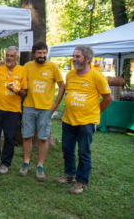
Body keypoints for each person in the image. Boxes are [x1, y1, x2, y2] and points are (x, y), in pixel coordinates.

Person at [54, 45, 112, 194]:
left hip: (87, 122)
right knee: (67, 149)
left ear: (87, 59)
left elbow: (108, 97)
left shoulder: (97, 76)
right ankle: (69, 175)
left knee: (83, 152)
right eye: (73, 56)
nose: (74, 59)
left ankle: (81, 182)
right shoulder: (71, 75)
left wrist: (96, 112)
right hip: (68, 120)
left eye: (77, 56)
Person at [19, 42, 65, 181]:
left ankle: (40, 166)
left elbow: (62, 86)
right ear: (34, 54)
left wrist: (56, 104)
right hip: (29, 107)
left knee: (43, 138)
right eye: (39, 53)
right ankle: (26, 163)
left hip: (45, 109)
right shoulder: (27, 66)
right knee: (27, 136)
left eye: (44, 52)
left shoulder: (53, 66)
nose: (42, 55)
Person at [0, 46, 27, 175]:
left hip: (13, 110)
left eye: (12, 56)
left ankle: (5, 163)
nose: (9, 58)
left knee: (10, 138)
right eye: (7, 55)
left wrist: (17, 90)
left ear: (17, 58)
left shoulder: (22, 70)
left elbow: (25, 92)